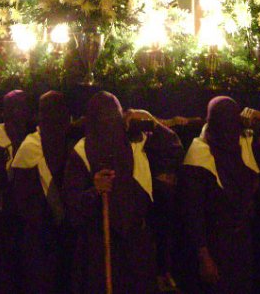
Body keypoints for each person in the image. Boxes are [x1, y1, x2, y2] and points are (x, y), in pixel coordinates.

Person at [63, 90, 183, 294]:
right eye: (104, 119)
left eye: (114, 118)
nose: (109, 125)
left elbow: (174, 148)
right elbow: (72, 206)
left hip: (137, 246)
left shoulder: (137, 142)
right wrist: (95, 190)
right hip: (99, 248)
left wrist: (151, 122)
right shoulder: (81, 151)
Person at [177, 96, 260, 294]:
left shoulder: (240, 146)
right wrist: (204, 257)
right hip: (214, 245)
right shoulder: (198, 157)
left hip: (242, 242)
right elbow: (193, 214)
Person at [12, 90, 72, 294]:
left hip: (56, 232)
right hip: (39, 233)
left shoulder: (66, 142)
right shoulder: (32, 147)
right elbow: (21, 197)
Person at [0, 90, 33, 294]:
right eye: (14, 108)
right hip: (5, 214)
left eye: (22, 107)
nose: (18, 112)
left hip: (26, 214)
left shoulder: (29, 135)